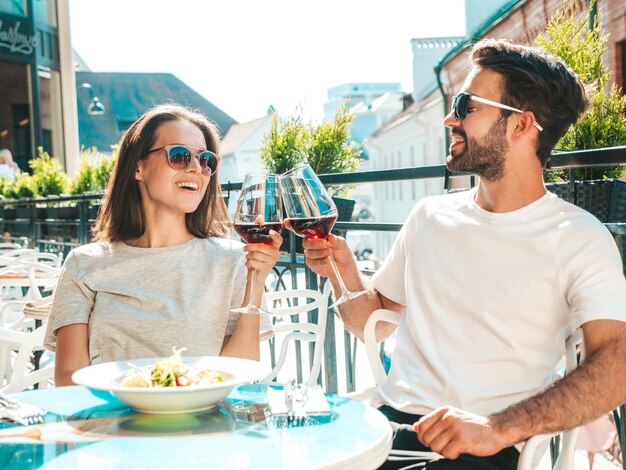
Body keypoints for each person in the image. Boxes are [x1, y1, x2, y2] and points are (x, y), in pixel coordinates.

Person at [299, 38, 626, 469]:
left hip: (481, 447)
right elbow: (373, 321)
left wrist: (498, 428)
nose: (449, 118)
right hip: (389, 430)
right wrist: (341, 273)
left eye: (466, 104)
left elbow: (617, 363)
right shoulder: (429, 216)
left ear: (521, 126)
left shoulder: (578, 237)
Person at [44, 104, 282, 386]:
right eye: (180, 156)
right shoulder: (83, 264)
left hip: (203, 424)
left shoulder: (234, 261)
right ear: (138, 167)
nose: (197, 168)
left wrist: (256, 280)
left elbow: (238, 375)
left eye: (206, 160)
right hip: (111, 425)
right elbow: (69, 380)